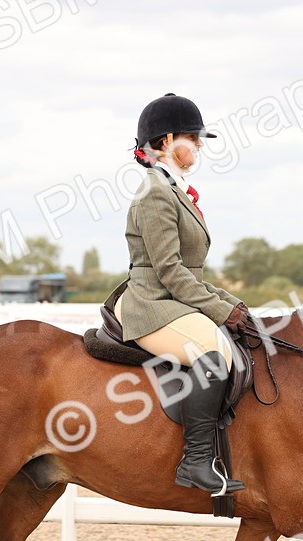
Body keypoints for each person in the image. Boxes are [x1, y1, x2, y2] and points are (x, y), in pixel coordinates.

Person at [103, 93, 251, 495]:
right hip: (153, 304)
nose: (200, 146)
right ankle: (196, 461)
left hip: (174, 299)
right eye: (193, 137)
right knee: (214, 354)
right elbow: (170, 271)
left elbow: (192, 272)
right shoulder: (155, 193)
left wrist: (230, 304)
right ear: (167, 140)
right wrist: (221, 311)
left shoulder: (176, 190)